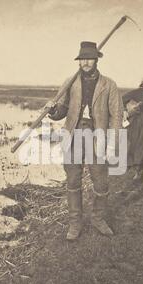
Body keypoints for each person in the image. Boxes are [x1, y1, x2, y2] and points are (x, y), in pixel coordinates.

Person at [46, 41, 124, 240]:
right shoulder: (70, 82)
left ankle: (98, 219)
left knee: (101, 182)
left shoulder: (109, 84)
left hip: (98, 136)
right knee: (72, 180)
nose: (86, 62)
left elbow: (116, 115)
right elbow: (61, 110)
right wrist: (52, 110)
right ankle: (75, 223)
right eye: (82, 59)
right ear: (78, 61)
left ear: (96, 59)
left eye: (89, 58)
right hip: (73, 135)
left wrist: (112, 142)